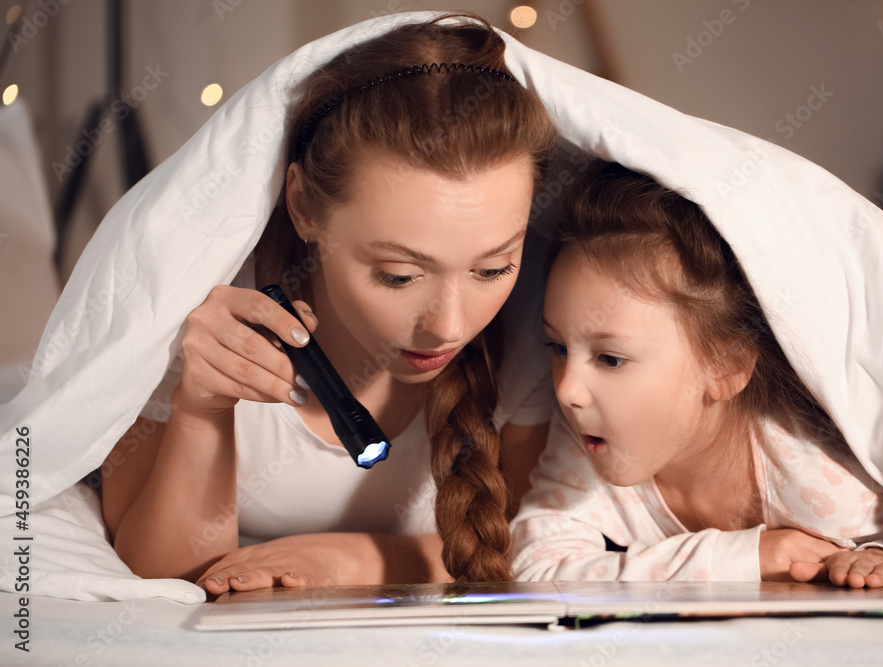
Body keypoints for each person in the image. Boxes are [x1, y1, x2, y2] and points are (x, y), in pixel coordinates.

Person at [99, 14, 558, 593]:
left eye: (492, 268)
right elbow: (156, 581)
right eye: (398, 274)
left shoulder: (541, 317)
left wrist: (343, 562)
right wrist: (201, 410)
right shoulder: (191, 302)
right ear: (304, 207)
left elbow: (533, 542)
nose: (450, 325)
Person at [510, 162, 883, 589]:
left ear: (727, 367)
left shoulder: (826, 480)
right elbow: (534, 565)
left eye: (610, 359)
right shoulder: (588, 438)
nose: (567, 389)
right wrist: (745, 558)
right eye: (558, 347)